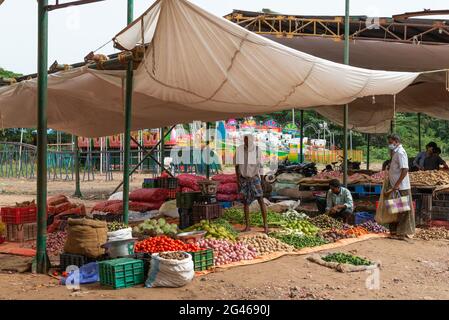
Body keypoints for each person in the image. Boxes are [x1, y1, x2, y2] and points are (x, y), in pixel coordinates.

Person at [235, 134, 268, 233]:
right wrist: (237, 179)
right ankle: (248, 226)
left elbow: (261, 166)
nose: (246, 142)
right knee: (245, 202)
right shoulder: (240, 150)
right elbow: (237, 166)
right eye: (245, 140)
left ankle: (265, 225)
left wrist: (262, 179)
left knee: (261, 200)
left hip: (254, 178)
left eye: (248, 141)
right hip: (243, 179)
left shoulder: (257, 150)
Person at [386, 133, 415, 240]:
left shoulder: (401, 152)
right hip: (396, 186)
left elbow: (405, 169)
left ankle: (402, 233)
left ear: (396, 141)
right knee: (396, 209)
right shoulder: (395, 152)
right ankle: (395, 231)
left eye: (390, 142)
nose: (389, 145)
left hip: (401, 187)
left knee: (403, 210)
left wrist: (397, 184)